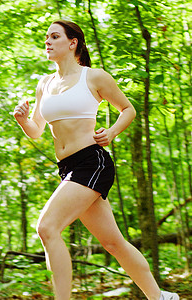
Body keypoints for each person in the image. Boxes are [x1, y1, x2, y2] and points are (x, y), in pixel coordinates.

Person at [13, 20, 179, 300]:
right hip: (67, 168)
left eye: (55, 36)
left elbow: (128, 109)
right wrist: (22, 120)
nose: (48, 42)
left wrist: (112, 132)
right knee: (113, 242)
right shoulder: (45, 84)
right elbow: (37, 131)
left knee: (47, 227)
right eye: (46, 37)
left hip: (92, 162)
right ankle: (160, 297)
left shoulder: (93, 77)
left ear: (72, 42)